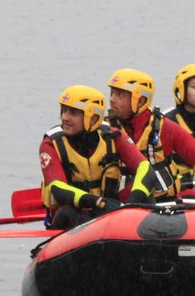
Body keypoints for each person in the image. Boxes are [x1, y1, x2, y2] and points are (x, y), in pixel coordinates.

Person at [104, 67, 195, 202]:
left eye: (120, 95)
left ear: (141, 100)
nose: (112, 99)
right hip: (118, 206)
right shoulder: (103, 130)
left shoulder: (165, 127)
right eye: (112, 93)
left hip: (163, 204)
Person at [39, 85, 148, 231]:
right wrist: (98, 202)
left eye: (73, 113)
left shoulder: (113, 136)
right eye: (64, 110)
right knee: (69, 213)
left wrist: (134, 200)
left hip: (108, 213)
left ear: (93, 117)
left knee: (147, 194)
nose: (65, 117)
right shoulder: (51, 144)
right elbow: (58, 188)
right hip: (74, 215)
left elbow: (145, 168)